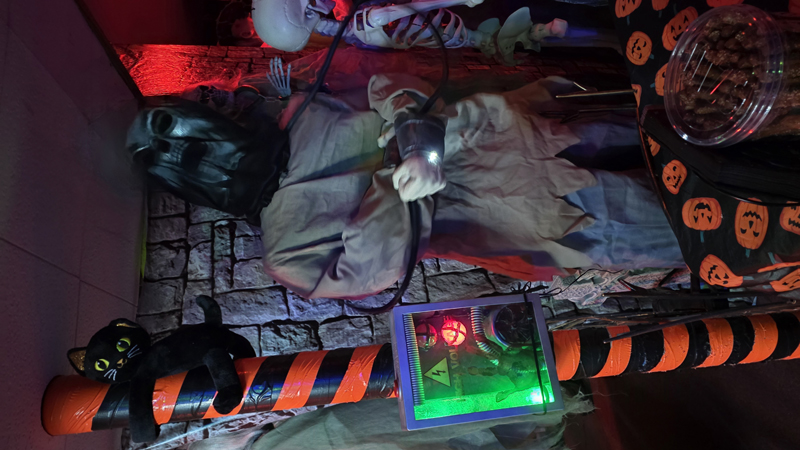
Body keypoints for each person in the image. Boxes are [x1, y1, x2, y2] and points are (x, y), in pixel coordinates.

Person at [256, 72, 685, 299]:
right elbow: (374, 265)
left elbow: (387, 84)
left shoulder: (303, 113)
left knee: (678, 128)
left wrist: (415, 143)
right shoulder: (286, 253)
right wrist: (397, 177)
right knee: (684, 223)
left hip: (508, 131)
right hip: (514, 210)